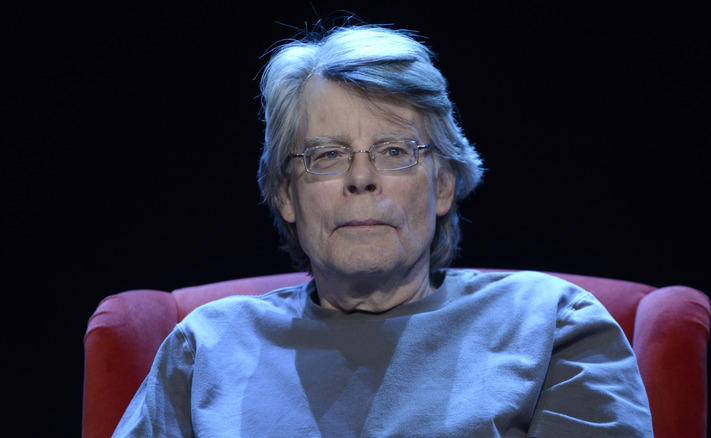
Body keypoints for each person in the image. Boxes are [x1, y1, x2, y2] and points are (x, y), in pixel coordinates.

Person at [112, 24, 653, 437]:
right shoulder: (206, 348)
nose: (361, 178)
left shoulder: (550, 325)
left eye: (394, 151)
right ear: (286, 194)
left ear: (443, 183)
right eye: (327, 155)